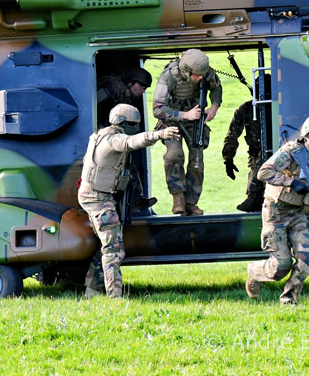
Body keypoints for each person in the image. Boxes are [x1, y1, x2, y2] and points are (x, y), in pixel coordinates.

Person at [79, 103, 179, 298]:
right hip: (98, 198)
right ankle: (115, 297)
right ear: (124, 123)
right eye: (134, 124)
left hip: (96, 196)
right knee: (113, 249)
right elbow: (131, 142)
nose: (136, 127)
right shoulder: (112, 139)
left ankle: (91, 291)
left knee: (106, 244)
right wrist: (160, 135)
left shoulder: (101, 134)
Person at [245, 116, 309, 305]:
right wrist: (291, 182)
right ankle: (255, 271)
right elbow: (264, 172)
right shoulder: (292, 152)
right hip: (276, 211)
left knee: (306, 262)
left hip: (299, 213)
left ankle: (289, 300)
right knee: (281, 265)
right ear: (308, 136)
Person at [152, 49, 222, 215]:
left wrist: (214, 106)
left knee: (197, 159)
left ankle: (191, 202)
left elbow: (216, 88)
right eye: (197, 75)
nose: (201, 78)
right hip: (172, 118)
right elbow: (158, 109)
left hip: (195, 117)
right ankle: (178, 199)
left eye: (202, 75)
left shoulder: (205, 72)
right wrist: (184, 115)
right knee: (174, 155)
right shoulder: (168, 76)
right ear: (186, 71)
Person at [96, 67, 156, 211]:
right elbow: (90, 106)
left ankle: (136, 198)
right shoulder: (112, 88)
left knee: (127, 160)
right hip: (99, 136)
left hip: (109, 135)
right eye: (141, 87)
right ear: (131, 82)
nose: (143, 91)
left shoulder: (126, 97)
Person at [222, 75, 271, 212]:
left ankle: (254, 196)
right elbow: (232, 135)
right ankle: (255, 197)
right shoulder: (246, 109)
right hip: (256, 158)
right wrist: (228, 159)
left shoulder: (279, 108)